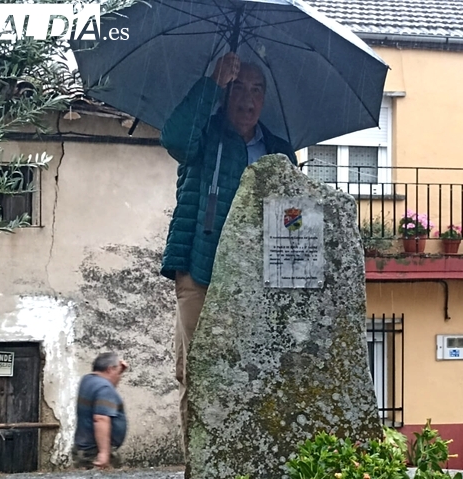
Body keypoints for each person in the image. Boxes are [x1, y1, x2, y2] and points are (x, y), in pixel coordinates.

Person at [159, 52, 298, 457]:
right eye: (239, 88)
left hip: (256, 280)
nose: (247, 99)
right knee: (198, 371)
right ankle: (199, 463)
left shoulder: (278, 150)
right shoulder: (203, 135)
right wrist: (212, 83)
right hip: (199, 270)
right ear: (227, 92)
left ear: (265, 98)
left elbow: (293, 216)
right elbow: (174, 139)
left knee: (252, 372)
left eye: (257, 90)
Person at [72, 352, 128, 469]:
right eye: (118, 372)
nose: (120, 376)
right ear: (109, 369)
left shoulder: (87, 380)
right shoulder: (104, 388)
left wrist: (118, 370)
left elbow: (109, 379)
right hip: (94, 451)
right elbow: (101, 419)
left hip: (84, 448)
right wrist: (103, 453)